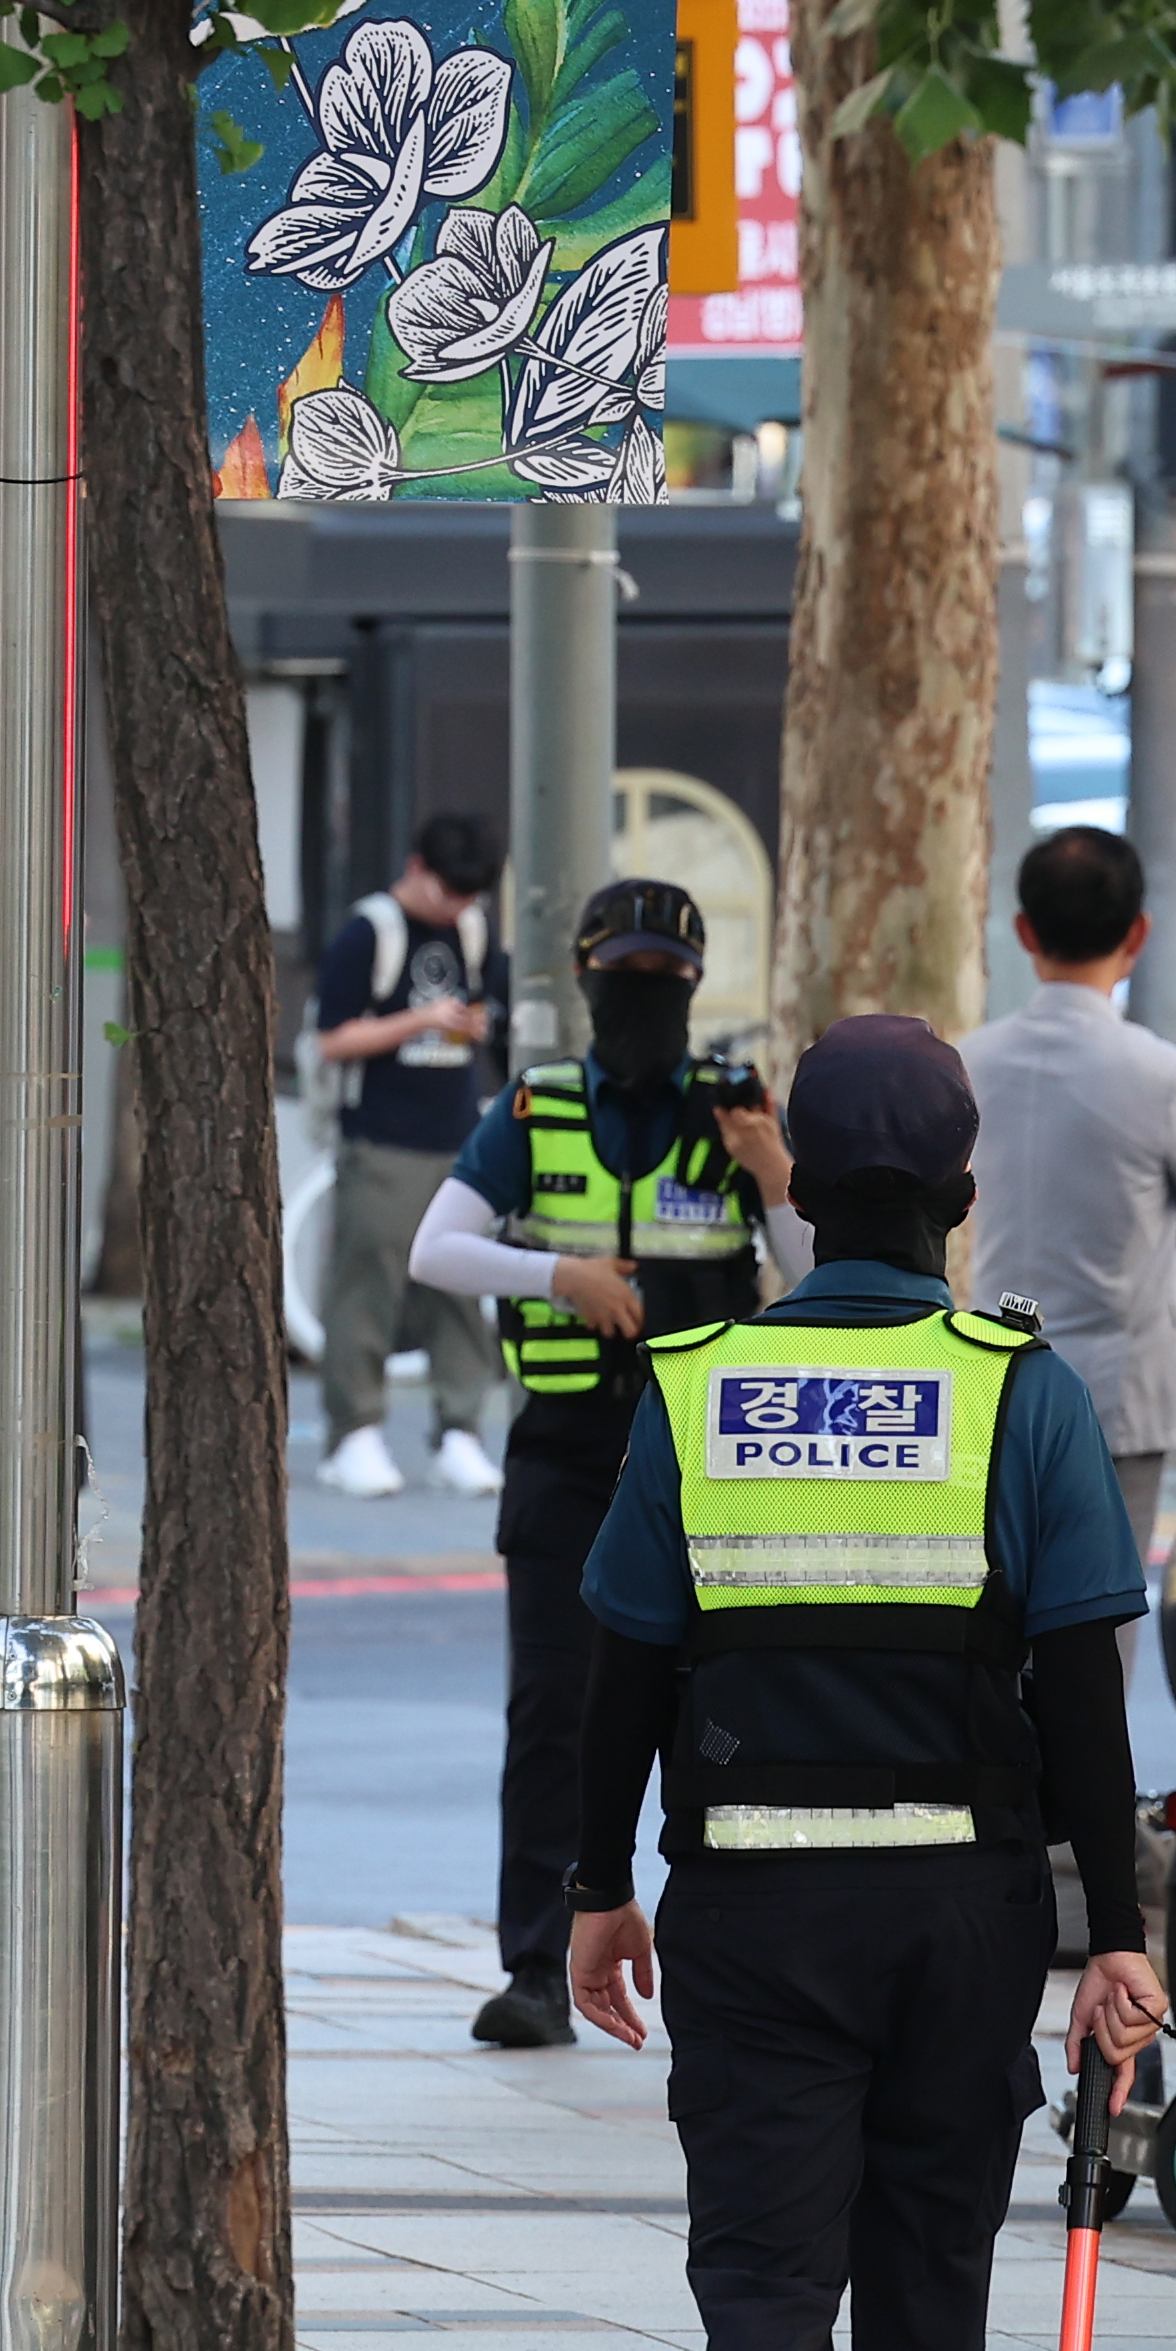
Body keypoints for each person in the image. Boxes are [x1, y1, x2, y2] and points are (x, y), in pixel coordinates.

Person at [565, 1015, 1169, 2351]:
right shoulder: (1019, 1393)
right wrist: (1118, 1931)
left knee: (761, 2289)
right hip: (961, 1909)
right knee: (925, 2290)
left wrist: (599, 1890)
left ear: (802, 1192)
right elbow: (1082, 1693)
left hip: (753, 1896)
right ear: (964, 1200)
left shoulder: (697, 1384)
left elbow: (620, 1669)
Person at [408, 877, 809, 2049]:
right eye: (621, 978)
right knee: (554, 1714)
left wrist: (771, 1159)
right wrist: (559, 1278)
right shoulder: (537, 1109)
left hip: (706, 1463)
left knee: (722, 1716)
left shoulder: (732, 1110)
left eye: (661, 981)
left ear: (691, 989)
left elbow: (813, 1263)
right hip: (568, 1456)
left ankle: (724, 1958)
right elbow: (440, 1248)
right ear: (585, 982)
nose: (640, 998)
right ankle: (537, 1965)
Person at [961, 826, 1176, 1604]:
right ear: (1137, 933)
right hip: (1123, 1389)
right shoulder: (1164, 1076)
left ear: (1024, 932)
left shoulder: (970, 1061)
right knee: (1106, 1612)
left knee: (1007, 1601)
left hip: (999, 1371)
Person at [313, 815, 510, 1500]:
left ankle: (460, 1430)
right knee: (368, 1284)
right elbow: (332, 1040)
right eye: (450, 891)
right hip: (382, 1138)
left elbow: (493, 1008)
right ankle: (354, 1434)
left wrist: (476, 1024)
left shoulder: (476, 931)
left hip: (457, 1137)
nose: (458, 907)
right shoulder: (371, 931)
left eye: (470, 895)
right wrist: (423, 1021)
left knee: (461, 1290)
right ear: (416, 867)